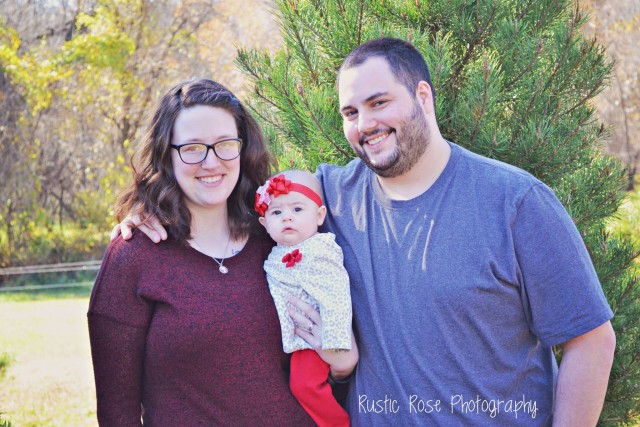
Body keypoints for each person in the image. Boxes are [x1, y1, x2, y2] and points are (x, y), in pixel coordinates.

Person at [113, 38, 616, 426]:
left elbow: (591, 340)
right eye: (351, 113)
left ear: (423, 96)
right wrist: (149, 210)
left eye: (379, 103)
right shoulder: (330, 197)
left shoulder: (515, 202)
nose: (365, 123)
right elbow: (223, 191)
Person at [88, 78, 357, 426]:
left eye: (225, 144)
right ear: (167, 155)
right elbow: (117, 412)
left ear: (243, 149)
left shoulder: (280, 240)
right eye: (192, 148)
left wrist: (342, 369)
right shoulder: (136, 255)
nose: (211, 162)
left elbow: (323, 378)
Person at [255, 169, 352, 427]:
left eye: (297, 209)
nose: (287, 217)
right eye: (276, 212)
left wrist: (336, 343)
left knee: (304, 386)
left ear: (319, 216)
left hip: (317, 339)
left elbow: (336, 293)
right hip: (294, 340)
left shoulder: (319, 250)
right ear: (264, 223)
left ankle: (338, 424)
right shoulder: (276, 252)